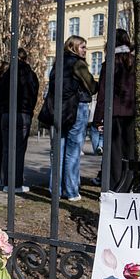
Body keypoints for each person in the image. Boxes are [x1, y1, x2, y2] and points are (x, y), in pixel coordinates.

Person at [48, 36, 96, 201]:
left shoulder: (57, 64)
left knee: (58, 150)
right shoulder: (78, 64)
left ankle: (56, 189)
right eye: (82, 47)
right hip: (77, 108)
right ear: (73, 47)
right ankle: (71, 191)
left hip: (58, 110)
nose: (85, 50)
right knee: (73, 151)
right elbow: (92, 86)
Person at [91, 28, 136, 191]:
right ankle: (129, 186)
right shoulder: (134, 61)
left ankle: (116, 189)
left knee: (114, 154)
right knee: (129, 152)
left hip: (114, 114)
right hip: (132, 113)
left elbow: (102, 94)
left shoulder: (109, 63)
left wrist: (97, 119)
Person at [0, 48, 40, 193]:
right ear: (25, 58)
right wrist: (29, 108)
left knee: (6, 149)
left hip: (6, 114)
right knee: (18, 150)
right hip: (22, 113)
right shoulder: (29, 74)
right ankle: (15, 184)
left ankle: (4, 181)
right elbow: (33, 93)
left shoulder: (6, 75)